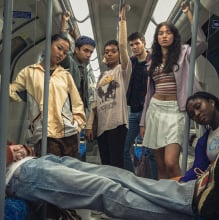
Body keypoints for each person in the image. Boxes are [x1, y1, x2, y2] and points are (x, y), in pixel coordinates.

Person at [5, 91, 219, 220]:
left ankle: (191, 194)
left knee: (116, 175)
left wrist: (14, 148)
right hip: (18, 174)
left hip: (32, 162)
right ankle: (193, 209)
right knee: (106, 190)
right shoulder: (204, 141)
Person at [140, 2, 207, 179]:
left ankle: (178, 199)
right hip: (155, 110)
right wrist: (142, 122)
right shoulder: (151, 61)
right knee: (160, 164)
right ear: (157, 38)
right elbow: (148, 95)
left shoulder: (184, 52)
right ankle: (165, 200)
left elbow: (201, 42)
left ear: (174, 36)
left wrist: (189, 13)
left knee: (171, 162)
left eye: (168, 32)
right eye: (160, 33)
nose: (164, 36)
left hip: (176, 110)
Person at [9, 34, 86, 157]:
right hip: (45, 133)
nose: (61, 54)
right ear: (48, 45)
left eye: (65, 52)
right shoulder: (29, 72)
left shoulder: (65, 75)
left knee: (68, 173)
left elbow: (77, 103)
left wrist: (77, 124)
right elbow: (12, 92)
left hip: (68, 133)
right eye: (59, 48)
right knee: (51, 173)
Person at [85, 5, 132, 168]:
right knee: (105, 166)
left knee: (116, 165)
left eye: (113, 51)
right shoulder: (101, 77)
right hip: (102, 127)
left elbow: (124, 47)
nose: (109, 53)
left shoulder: (122, 70)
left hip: (117, 124)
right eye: (106, 52)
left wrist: (122, 21)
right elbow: (95, 105)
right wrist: (89, 126)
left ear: (119, 54)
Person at [124, 31, 157, 179]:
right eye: (131, 45)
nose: (135, 47)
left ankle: (153, 183)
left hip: (149, 112)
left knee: (150, 152)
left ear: (144, 43)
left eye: (137, 43)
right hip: (134, 111)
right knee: (124, 148)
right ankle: (133, 178)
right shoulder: (131, 63)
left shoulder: (154, 61)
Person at [60, 11, 96, 111]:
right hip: (67, 108)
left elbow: (81, 50)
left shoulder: (83, 64)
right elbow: (62, 46)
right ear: (76, 50)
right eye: (86, 51)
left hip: (79, 109)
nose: (89, 55)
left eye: (91, 52)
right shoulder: (69, 61)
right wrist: (64, 23)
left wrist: (76, 37)